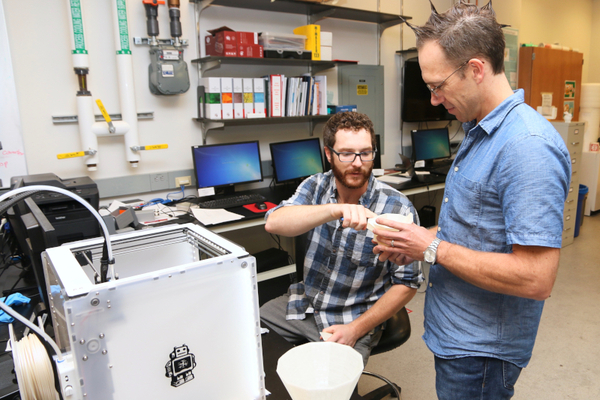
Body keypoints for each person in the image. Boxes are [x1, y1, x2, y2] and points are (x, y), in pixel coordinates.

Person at [371, 1, 572, 399]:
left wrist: (431, 247)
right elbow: (471, 226)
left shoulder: (526, 147)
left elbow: (536, 278)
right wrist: (417, 243)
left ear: (476, 69)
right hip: (456, 334)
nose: (432, 100)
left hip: (481, 352)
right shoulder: (478, 129)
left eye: (437, 86)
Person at [260, 111, 423, 365]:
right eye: (346, 153)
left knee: (334, 388)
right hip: (305, 304)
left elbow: (408, 283)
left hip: (354, 317)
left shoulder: (397, 207)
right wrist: (335, 209)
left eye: (365, 153)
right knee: (249, 339)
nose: (357, 162)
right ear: (328, 154)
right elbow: (274, 222)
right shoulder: (315, 186)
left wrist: (356, 330)